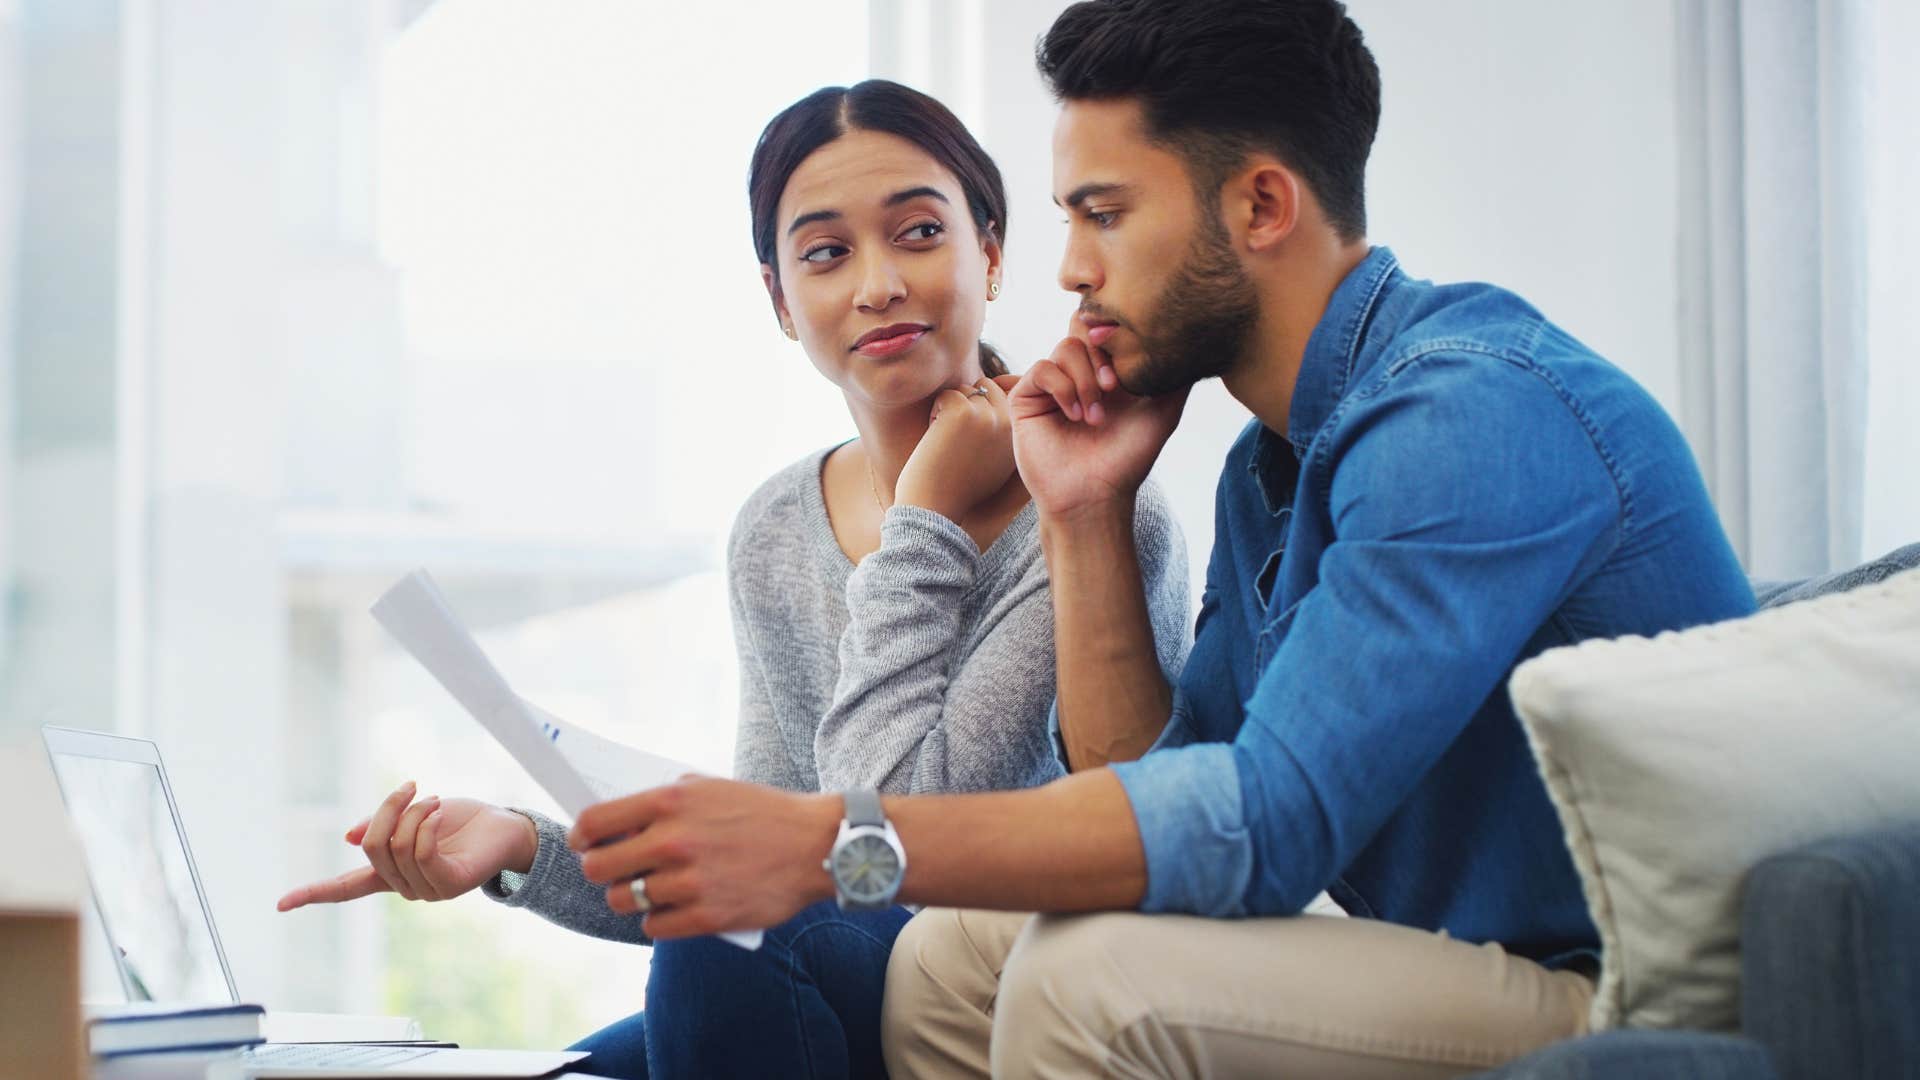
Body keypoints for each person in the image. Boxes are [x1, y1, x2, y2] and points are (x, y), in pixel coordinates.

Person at [550, 1, 1760, 1077]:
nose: (1072, 270)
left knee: (1091, 988)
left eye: (1104, 214)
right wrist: (1084, 512)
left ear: (1262, 205)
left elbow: (1263, 826)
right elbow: (1162, 777)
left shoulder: (1465, 415)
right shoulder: (1274, 466)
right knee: (943, 969)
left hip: (1629, 988)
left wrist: (833, 845)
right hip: (1456, 957)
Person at [274, 79, 1192, 1080]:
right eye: (827, 253)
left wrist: (922, 523)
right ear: (779, 301)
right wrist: (521, 849)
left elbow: (881, 847)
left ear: (994, 254)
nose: (877, 283)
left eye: (919, 233)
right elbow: (759, 864)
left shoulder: (1096, 510)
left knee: (713, 948)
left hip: (999, 979)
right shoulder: (776, 529)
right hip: (843, 967)